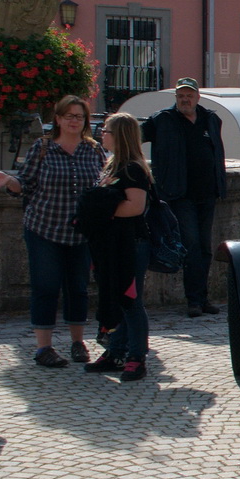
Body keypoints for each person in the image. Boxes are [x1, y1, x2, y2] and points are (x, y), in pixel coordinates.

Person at [0, 96, 105, 367]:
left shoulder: (93, 150)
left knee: (78, 288)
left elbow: (103, 187)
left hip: (81, 232)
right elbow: (25, 183)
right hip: (44, 227)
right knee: (46, 286)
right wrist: (8, 180)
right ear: (58, 119)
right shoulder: (43, 148)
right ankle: (44, 347)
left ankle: (77, 342)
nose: (74, 121)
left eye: (79, 116)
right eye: (69, 115)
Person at [141, 78, 226, 317]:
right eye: (180, 96)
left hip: (208, 193)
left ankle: (203, 297)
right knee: (192, 246)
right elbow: (133, 137)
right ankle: (194, 301)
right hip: (180, 194)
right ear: (176, 98)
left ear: (197, 97)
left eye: (189, 95)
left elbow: (217, 153)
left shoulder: (211, 119)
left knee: (205, 248)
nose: (185, 99)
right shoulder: (162, 120)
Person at [84, 114, 152, 382]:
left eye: (106, 130)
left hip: (131, 243)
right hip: (113, 243)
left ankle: (136, 356)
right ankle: (116, 352)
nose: (102, 133)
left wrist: (101, 211)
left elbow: (135, 206)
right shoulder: (112, 165)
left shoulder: (133, 168)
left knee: (131, 300)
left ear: (120, 135)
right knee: (118, 300)